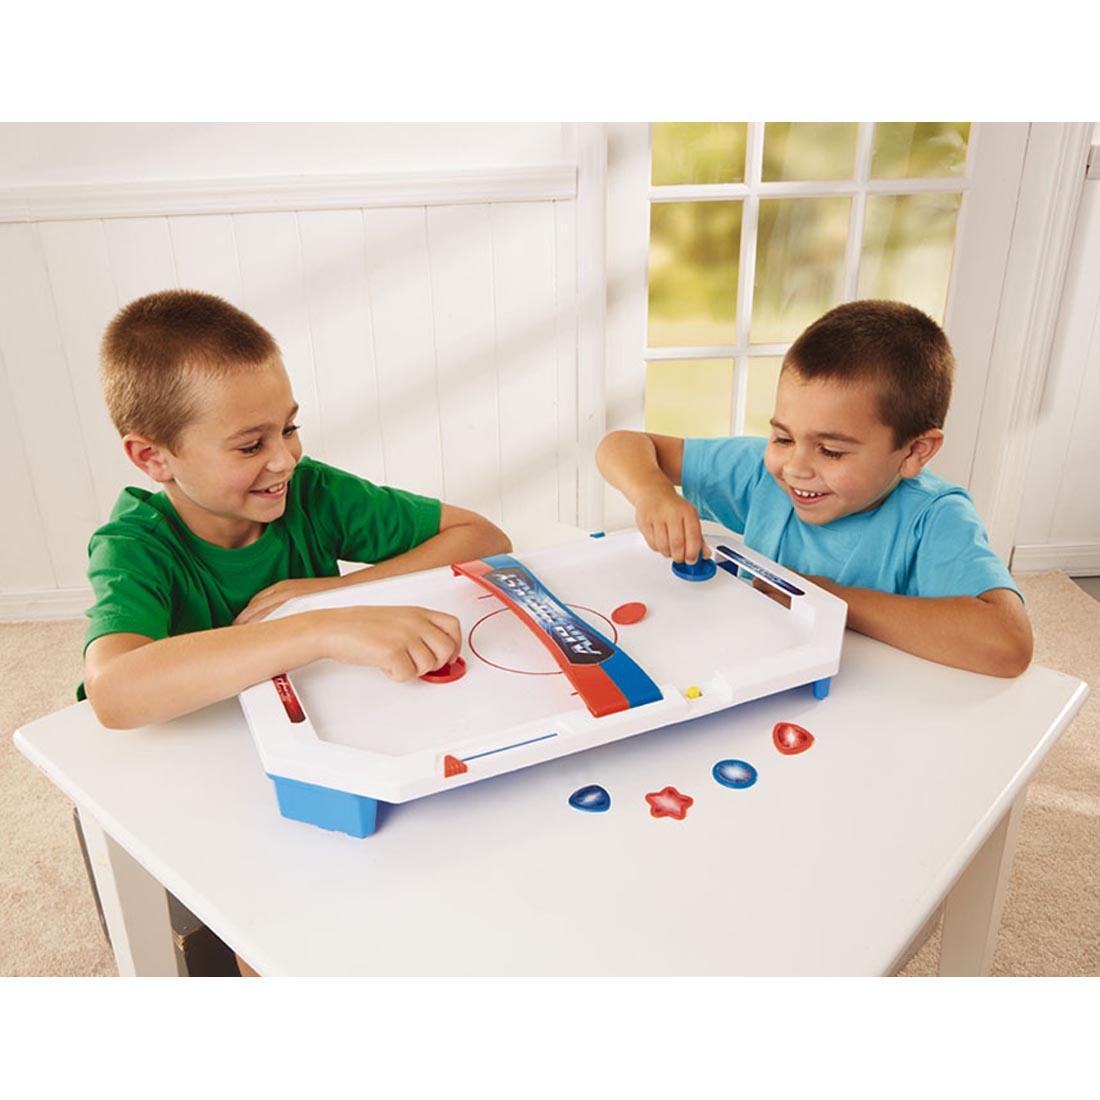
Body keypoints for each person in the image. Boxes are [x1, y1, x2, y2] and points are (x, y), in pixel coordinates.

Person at [81, 289, 511, 734]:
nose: (285, 459)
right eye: (251, 445)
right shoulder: (132, 548)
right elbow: (113, 693)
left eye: (288, 428)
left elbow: (482, 537)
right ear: (153, 458)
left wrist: (330, 594)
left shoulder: (313, 492)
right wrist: (317, 627)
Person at [596, 299, 1033, 678]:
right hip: (760, 678)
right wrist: (653, 490)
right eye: (783, 437)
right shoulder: (763, 475)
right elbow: (622, 445)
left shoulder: (935, 516)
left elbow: (1008, 643)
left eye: (831, 451)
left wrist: (824, 597)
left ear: (915, 451)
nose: (795, 467)